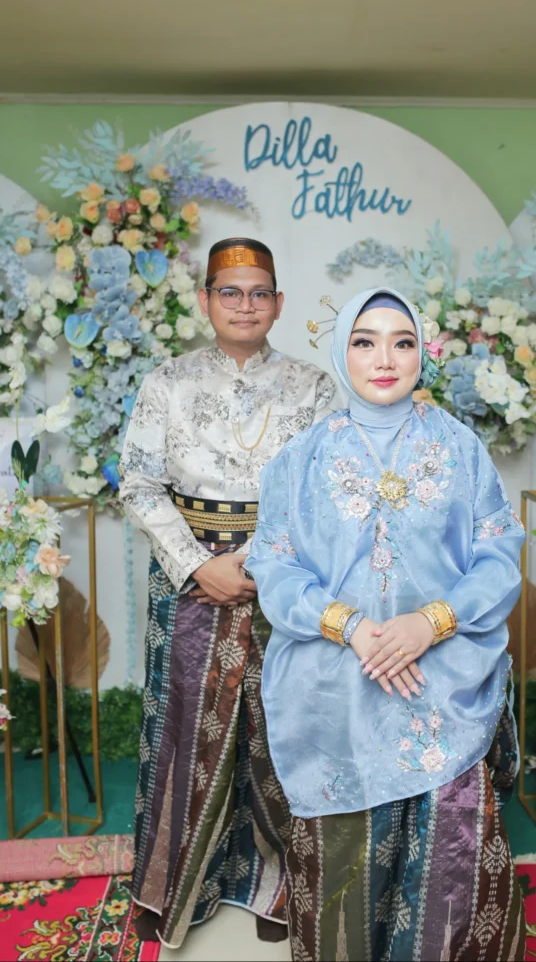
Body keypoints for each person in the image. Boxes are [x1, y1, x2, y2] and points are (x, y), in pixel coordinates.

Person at [247, 287, 526, 961]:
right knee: (343, 858)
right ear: (340, 351)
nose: (384, 359)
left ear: (421, 353)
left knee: (449, 854)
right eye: (364, 342)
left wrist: (431, 623)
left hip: (442, 672)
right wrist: (349, 627)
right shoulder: (301, 457)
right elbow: (274, 566)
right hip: (334, 673)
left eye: (401, 342)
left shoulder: (459, 447)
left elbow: (498, 556)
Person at [119, 237, 337, 950]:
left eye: (259, 292)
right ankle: (175, 886)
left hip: (283, 577)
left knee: (281, 731)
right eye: (230, 292)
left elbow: (325, 492)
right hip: (188, 580)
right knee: (185, 727)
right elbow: (139, 486)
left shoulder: (313, 387)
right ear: (206, 299)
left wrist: (260, 564)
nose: (245, 305)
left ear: (278, 302)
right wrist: (196, 565)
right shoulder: (167, 382)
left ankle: (280, 886)